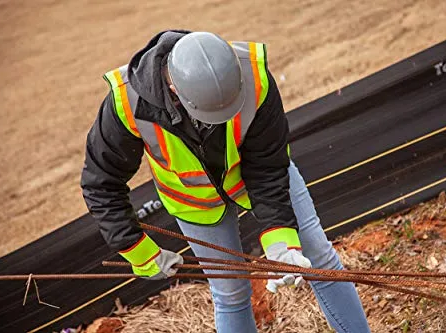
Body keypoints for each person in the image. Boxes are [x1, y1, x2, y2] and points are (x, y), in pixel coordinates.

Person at [81, 30, 370, 333]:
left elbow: (268, 166)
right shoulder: (126, 103)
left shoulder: (255, 77)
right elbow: (101, 184)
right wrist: (138, 250)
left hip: (258, 177)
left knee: (319, 259)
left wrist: (282, 240)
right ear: (174, 89)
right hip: (194, 201)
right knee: (230, 294)